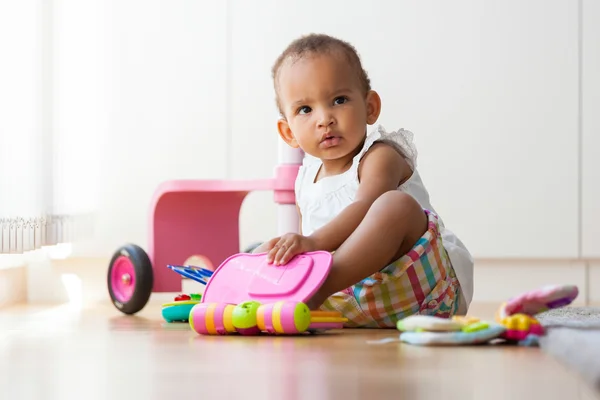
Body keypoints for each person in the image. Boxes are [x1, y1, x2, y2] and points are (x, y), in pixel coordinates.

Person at [252, 33, 473, 328]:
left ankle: (313, 289)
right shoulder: (305, 179)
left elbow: (365, 206)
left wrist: (313, 242)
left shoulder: (380, 156)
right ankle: (249, 294)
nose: (325, 119)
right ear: (289, 132)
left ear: (370, 107)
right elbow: (309, 243)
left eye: (339, 100)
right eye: (305, 109)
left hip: (425, 292)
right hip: (352, 301)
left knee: (394, 205)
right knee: (264, 250)